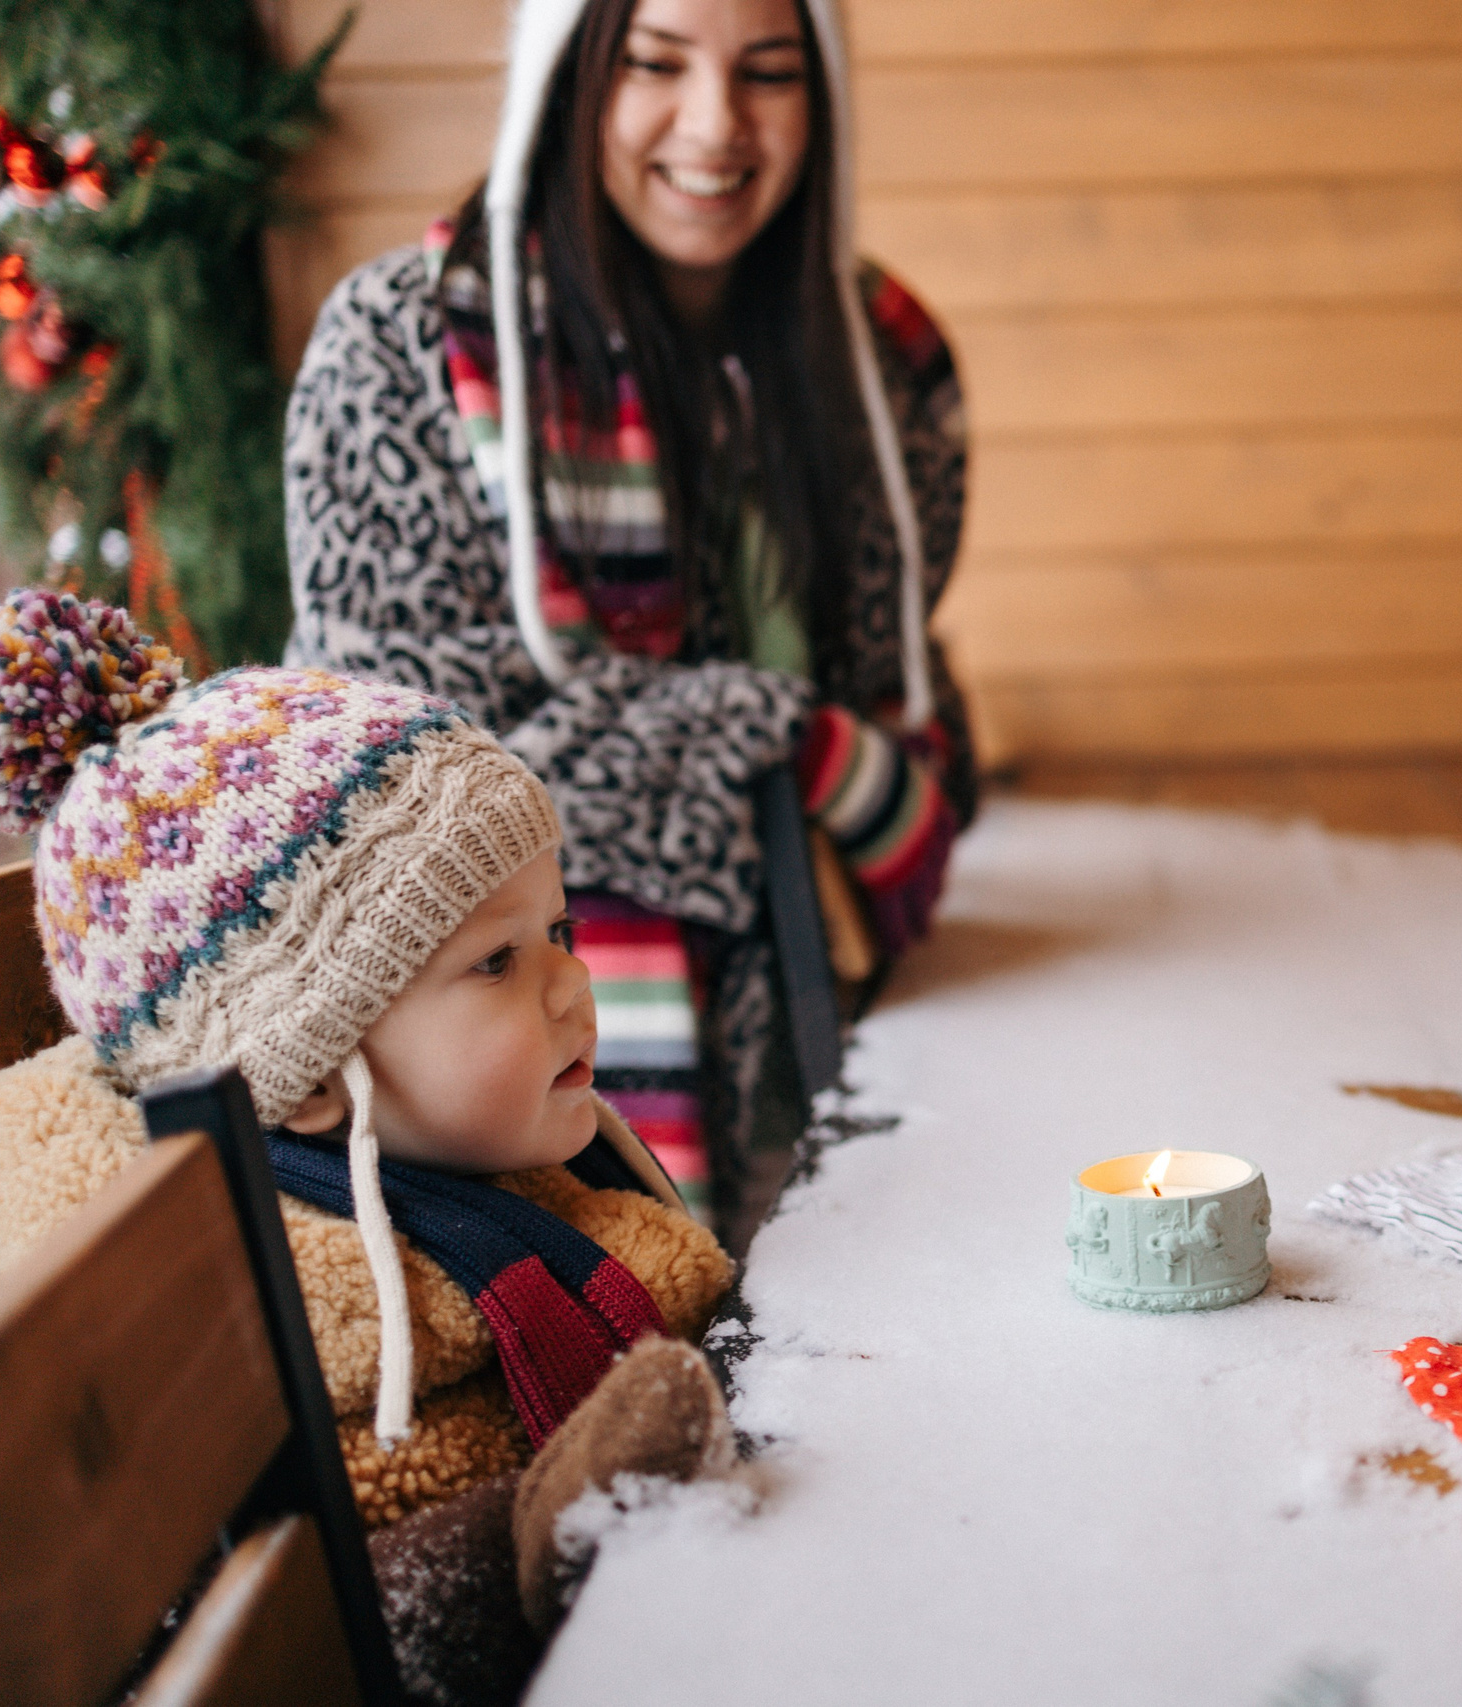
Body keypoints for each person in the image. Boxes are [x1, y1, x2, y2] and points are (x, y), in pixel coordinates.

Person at [0, 589, 743, 1705]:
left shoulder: (484, 1176)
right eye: (497, 963)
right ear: (309, 1079)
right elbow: (355, 1616)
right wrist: (536, 1540)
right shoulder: (272, 1344)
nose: (574, 986)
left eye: (558, 932)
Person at [283, 0, 973, 1238]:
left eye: (769, 72)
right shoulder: (399, 343)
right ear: (567, 74)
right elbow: (408, 776)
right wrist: (772, 731)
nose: (716, 125)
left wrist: (811, 750)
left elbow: (896, 685)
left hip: (835, 998)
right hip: (483, 1089)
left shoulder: (882, 361)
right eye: (656, 63)